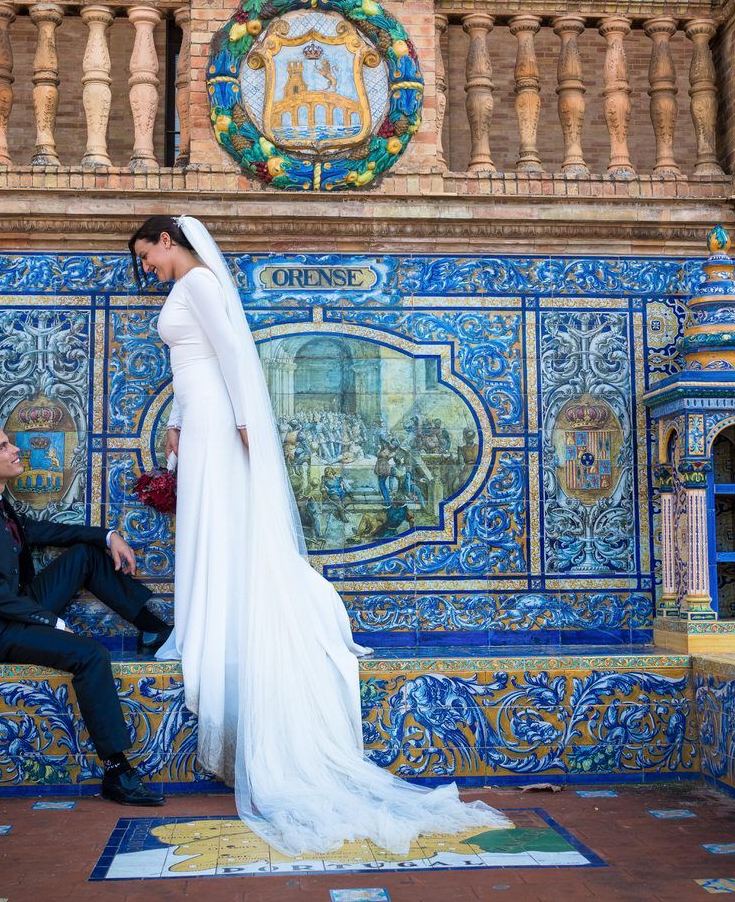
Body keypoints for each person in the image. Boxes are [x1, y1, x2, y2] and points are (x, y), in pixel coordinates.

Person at [128, 214, 509, 857]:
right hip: (199, 419)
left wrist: (246, 428)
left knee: (220, 527)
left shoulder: (197, 285)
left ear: (169, 240)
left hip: (221, 422)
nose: (146, 268)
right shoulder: (188, 288)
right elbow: (191, 368)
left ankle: (207, 630)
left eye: (147, 255)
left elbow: (230, 356)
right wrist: (175, 423)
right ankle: (201, 627)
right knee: (206, 529)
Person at [0, 413, 173, 807]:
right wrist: (49, 620)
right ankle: (118, 770)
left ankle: (154, 629)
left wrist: (107, 535)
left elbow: (40, 532)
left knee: (84, 555)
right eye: (3, 447)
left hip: (16, 610)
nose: (16, 449)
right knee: (89, 655)